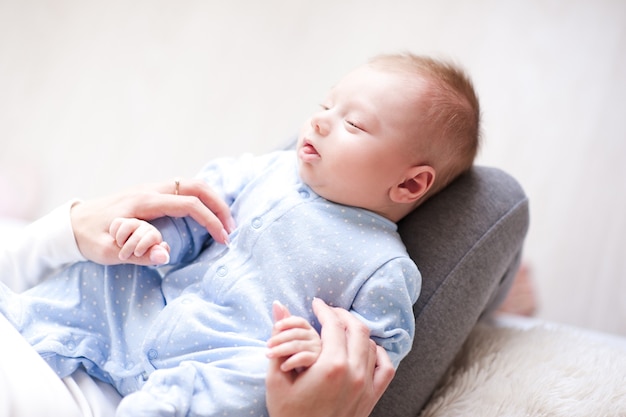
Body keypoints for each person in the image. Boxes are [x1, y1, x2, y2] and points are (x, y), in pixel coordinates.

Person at [0, 52, 480, 416]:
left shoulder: (384, 264)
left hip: (221, 351)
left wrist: (316, 356)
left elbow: (374, 348)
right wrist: (148, 238)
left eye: (352, 123)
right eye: (326, 104)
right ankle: (39, 321)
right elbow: (197, 210)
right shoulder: (265, 170)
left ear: (410, 183)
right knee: (101, 274)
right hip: (146, 306)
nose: (319, 121)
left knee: (261, 376)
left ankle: (166, 405)